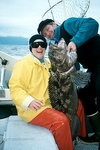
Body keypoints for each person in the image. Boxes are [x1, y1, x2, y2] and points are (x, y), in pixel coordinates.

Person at [9, 34, 86, 150]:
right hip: (34, 108)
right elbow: (15, 87)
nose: (39, 47)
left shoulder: (48, 63)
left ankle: (77, 137)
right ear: (31, 47)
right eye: (36, 44)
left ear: (45, 47)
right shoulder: (23, 64)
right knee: (61, 121)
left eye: (42, 44)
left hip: (50, 104)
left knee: (78, 105)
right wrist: (28, 101)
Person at [37, 18, 100, 143]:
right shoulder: (61, 43)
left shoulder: (67, 25)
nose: (48, 34)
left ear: (54, 24)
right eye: (45, 34)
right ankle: (98, 133)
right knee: (84, 94)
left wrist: (75, 41)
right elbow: (73, 65)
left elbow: (93, 24)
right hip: (93, 67)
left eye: (48, 29)